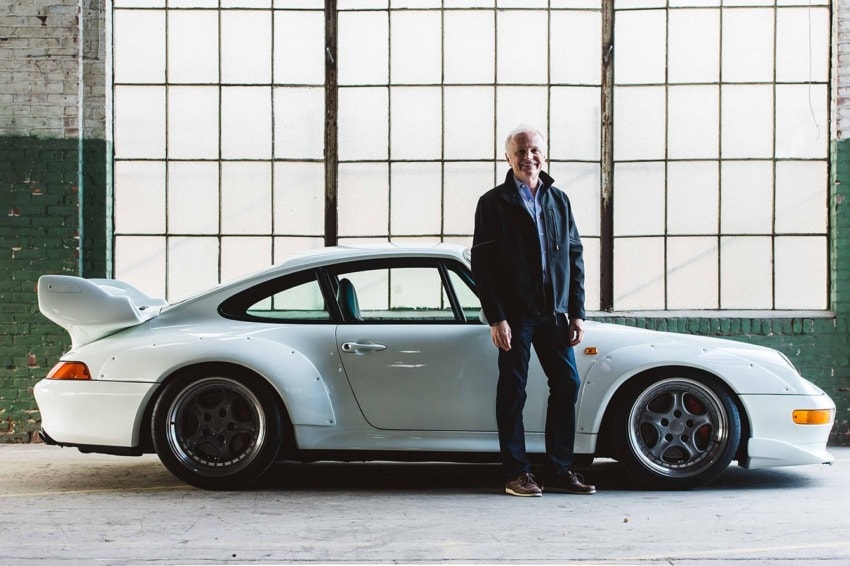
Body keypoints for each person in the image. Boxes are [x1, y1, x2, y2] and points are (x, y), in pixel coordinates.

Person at [471, 126, 596, 497]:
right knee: (514, 390)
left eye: (534, 150)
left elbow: (574, 257)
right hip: (515, 315)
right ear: (507, 158)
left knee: (567, 384)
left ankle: (559, 468)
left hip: (555, 314)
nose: (528, 157)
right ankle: (516, 473)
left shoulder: (559, 200)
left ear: (545, 154)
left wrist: (577, 312)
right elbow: (483, 265)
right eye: (520, 151)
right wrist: (496, 317)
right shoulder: (493, 203)